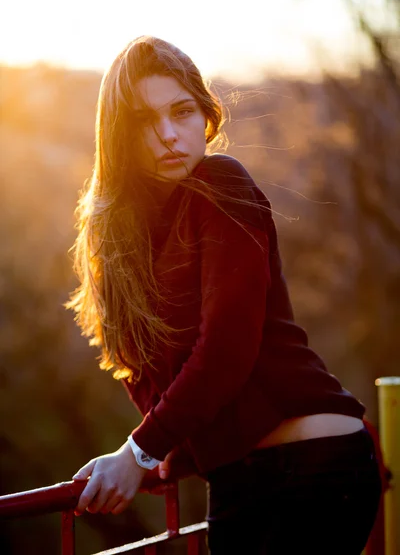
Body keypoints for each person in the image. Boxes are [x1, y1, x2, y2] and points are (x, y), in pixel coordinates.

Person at [68, 36, 382, 554]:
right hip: (237, 482)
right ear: (119, 136)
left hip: (316, 466)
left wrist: (140, 452)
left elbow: (228, 347)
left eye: (181, 111)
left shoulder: (221, 180)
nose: (167, 135)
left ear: (206, 114)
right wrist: (161, 454)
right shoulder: (123, 245)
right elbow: (149, 376)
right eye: (144, 121)